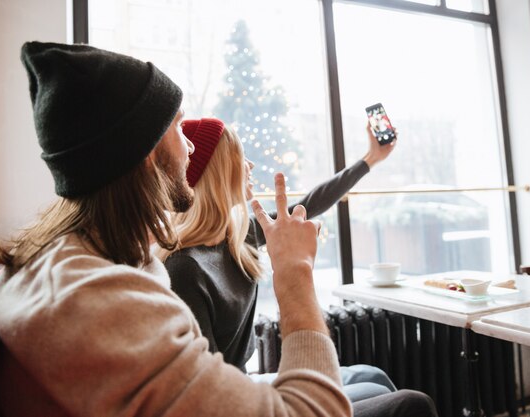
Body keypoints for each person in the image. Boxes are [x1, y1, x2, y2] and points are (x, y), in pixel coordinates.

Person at [0, 41, 351, 417]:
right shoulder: (101, 303)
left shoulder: (91, 260)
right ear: (144, 151)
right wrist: (295, 275)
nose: (191, 147)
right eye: (178, 126)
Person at [160, 118, 437, 416]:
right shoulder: (185, 270)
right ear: (218, 170)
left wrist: (371, 159)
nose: (250, 165)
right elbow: (211, 396)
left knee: (374, 377)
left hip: (245, 380)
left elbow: (310, 204)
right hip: (234, 399)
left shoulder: (237, 235)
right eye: (241, 156)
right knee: (413, 403)